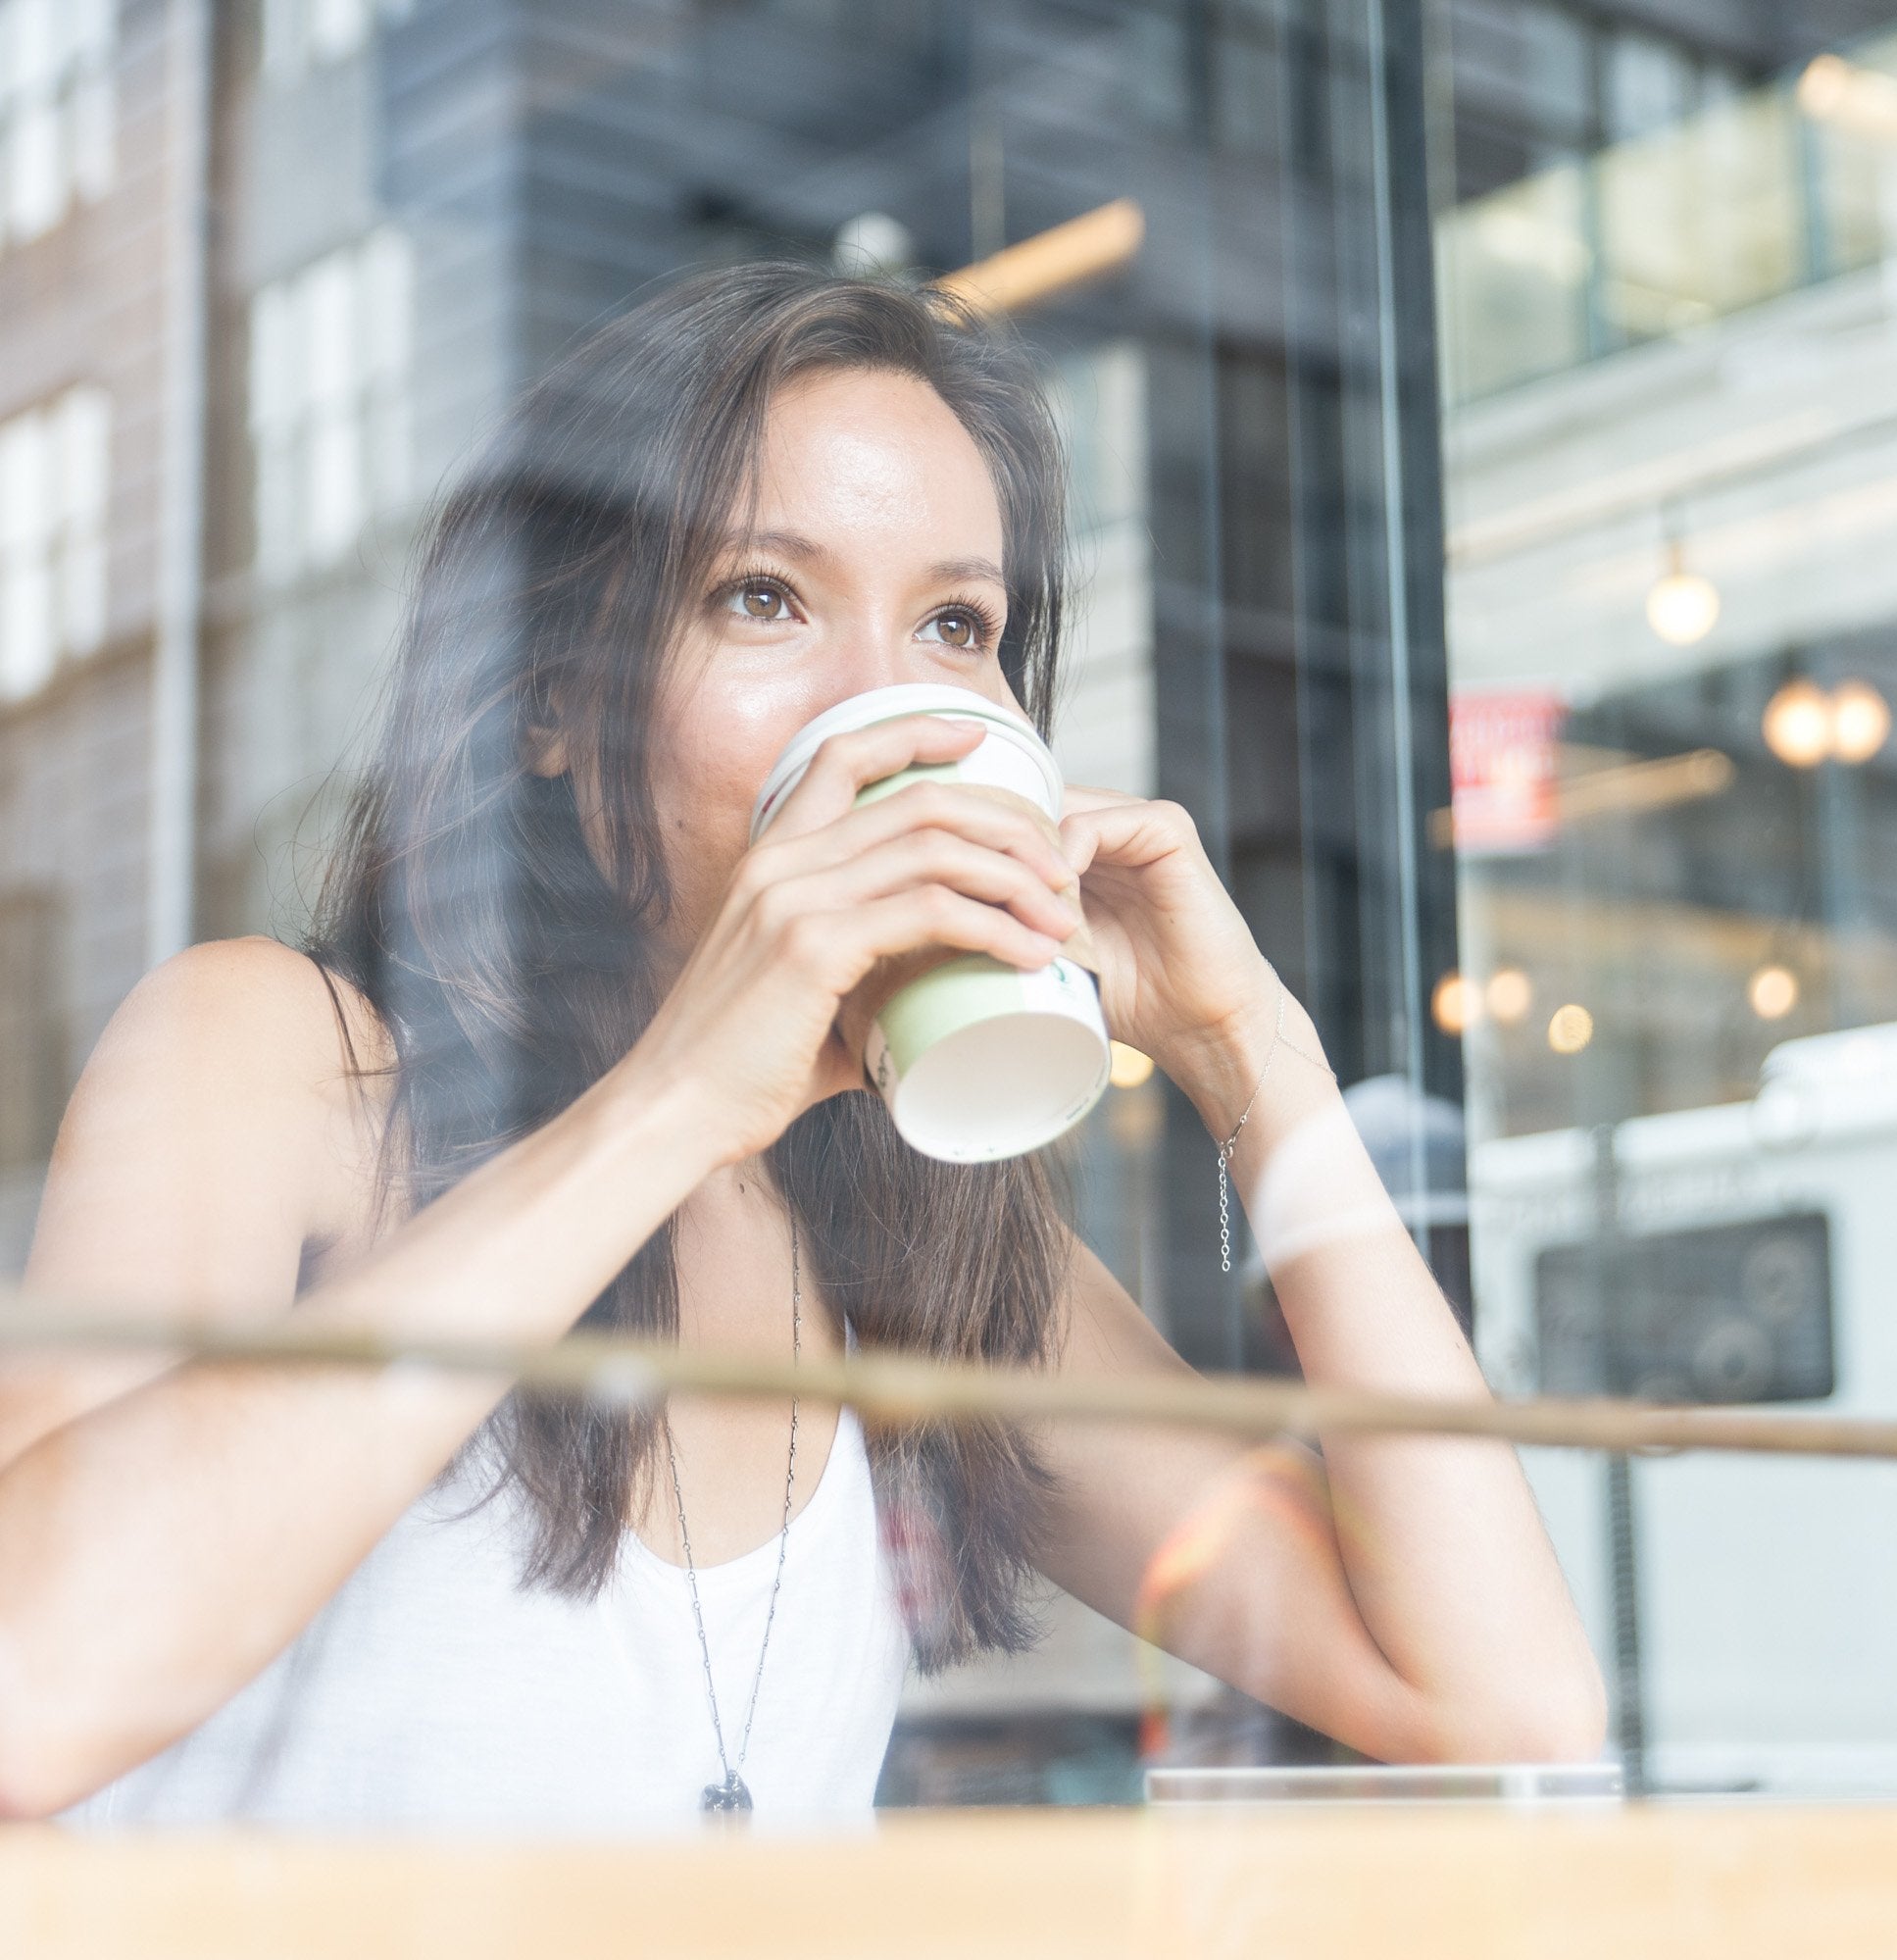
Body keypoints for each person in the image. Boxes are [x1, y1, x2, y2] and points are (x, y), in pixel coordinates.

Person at [0, 263, 1604, 1830]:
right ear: (551, 697)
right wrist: (683, 1096)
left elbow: (1500, 1711)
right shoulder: (285, 1056)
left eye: (957, 624)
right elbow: (27, 1704)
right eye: (764, 597)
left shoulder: (928, 1231)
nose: (887, 705)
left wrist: (1258, 1061)